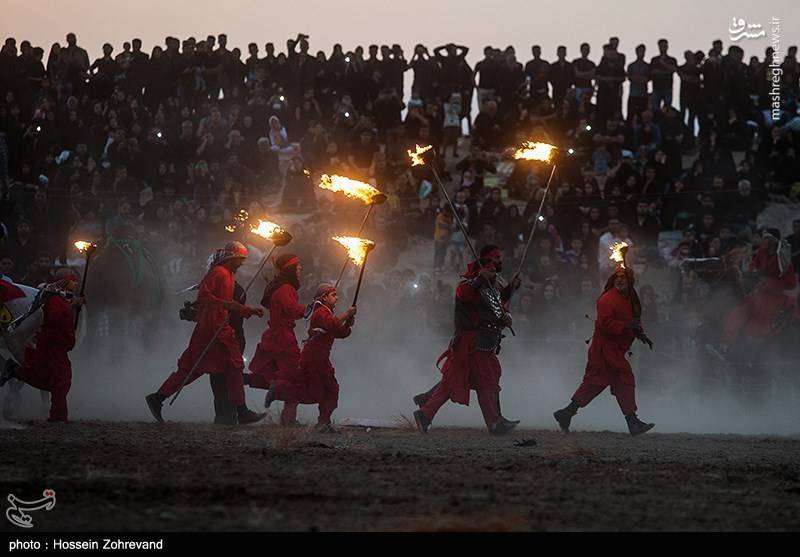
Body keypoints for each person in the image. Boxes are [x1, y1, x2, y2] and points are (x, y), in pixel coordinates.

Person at [145, 242, 266, 425]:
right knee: (193, 368)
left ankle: (241, 411)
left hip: (219, 327)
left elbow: (228, 304)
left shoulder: (228, 275)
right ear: (231, 258)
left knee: (227, 367)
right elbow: (203, 296)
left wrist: (248, 310)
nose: (241, 264)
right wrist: (230, 305)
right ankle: (241, 411)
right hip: (212, 328)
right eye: (240, 260)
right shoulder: (218, 273)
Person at [412, 245, 521, 435]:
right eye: (495, 261)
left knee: (460, 381)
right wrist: (480, 279)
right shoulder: (471, 283)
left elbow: (497, 305)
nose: (498, 265)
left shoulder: (493, 286)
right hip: (472, 342)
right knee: (482, 381)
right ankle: (495, 423)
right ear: (486, 264)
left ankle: (425, 412)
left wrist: (511, 290)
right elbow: (464, 294)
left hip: (484, 342)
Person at [553, 265, 656, 436]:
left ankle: (566, 413)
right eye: (618, 277)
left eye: (624, 277)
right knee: (608, 381)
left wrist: (641, 334)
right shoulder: (606, 300)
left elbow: (635, 320)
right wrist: (626, 326)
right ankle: (632, 422)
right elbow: (605, 325)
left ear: (631, 281)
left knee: (608, 383)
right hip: (604, 351)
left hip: (615, 350)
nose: (620, 280)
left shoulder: (632, 298)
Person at [264, 283, 356, 433]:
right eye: (333, 295)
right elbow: (330, 324)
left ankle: (323, 422)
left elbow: (337, 332)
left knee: (327, 391)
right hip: (315, 358)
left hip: (319, 357)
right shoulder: (320, 313)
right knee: (320, 392)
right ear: (324, 297)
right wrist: (347, 313)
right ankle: (279, 391)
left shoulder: (327, 312)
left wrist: (347, 325)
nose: (337, 298)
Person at [0, 268, 84, 421]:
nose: (76, 284)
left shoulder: (63, 298)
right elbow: (54, 317)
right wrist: (71, 307)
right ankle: (58, 417)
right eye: (73, 281)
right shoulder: (54, 298)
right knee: (61, 382)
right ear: (64, 282)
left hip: (58, 346)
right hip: (52, 347)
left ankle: (16, 371)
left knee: (50, 380)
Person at [713, 229, 797, 355]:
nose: (763, 240)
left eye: (766, 238)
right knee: (737, 314)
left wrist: (771, 281)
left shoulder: (783, 260)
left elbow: (791, 284)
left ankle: (758, 354)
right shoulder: (762, 252)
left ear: (774, 240)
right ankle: (724, 345)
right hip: (758, 294)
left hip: (774, 297)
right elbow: (754, 265)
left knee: (760, 324)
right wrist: (752, 272)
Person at [246, 253, 305, 426]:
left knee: (269, 375)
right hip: (283, 339)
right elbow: (293, 310)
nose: (300, 268)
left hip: (273, 336)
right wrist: (313, 308)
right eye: (297, 265)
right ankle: (288, 419)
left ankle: (238, 379)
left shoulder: (279, 286)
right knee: (294, 377)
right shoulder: (286, 288)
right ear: (290, 269)